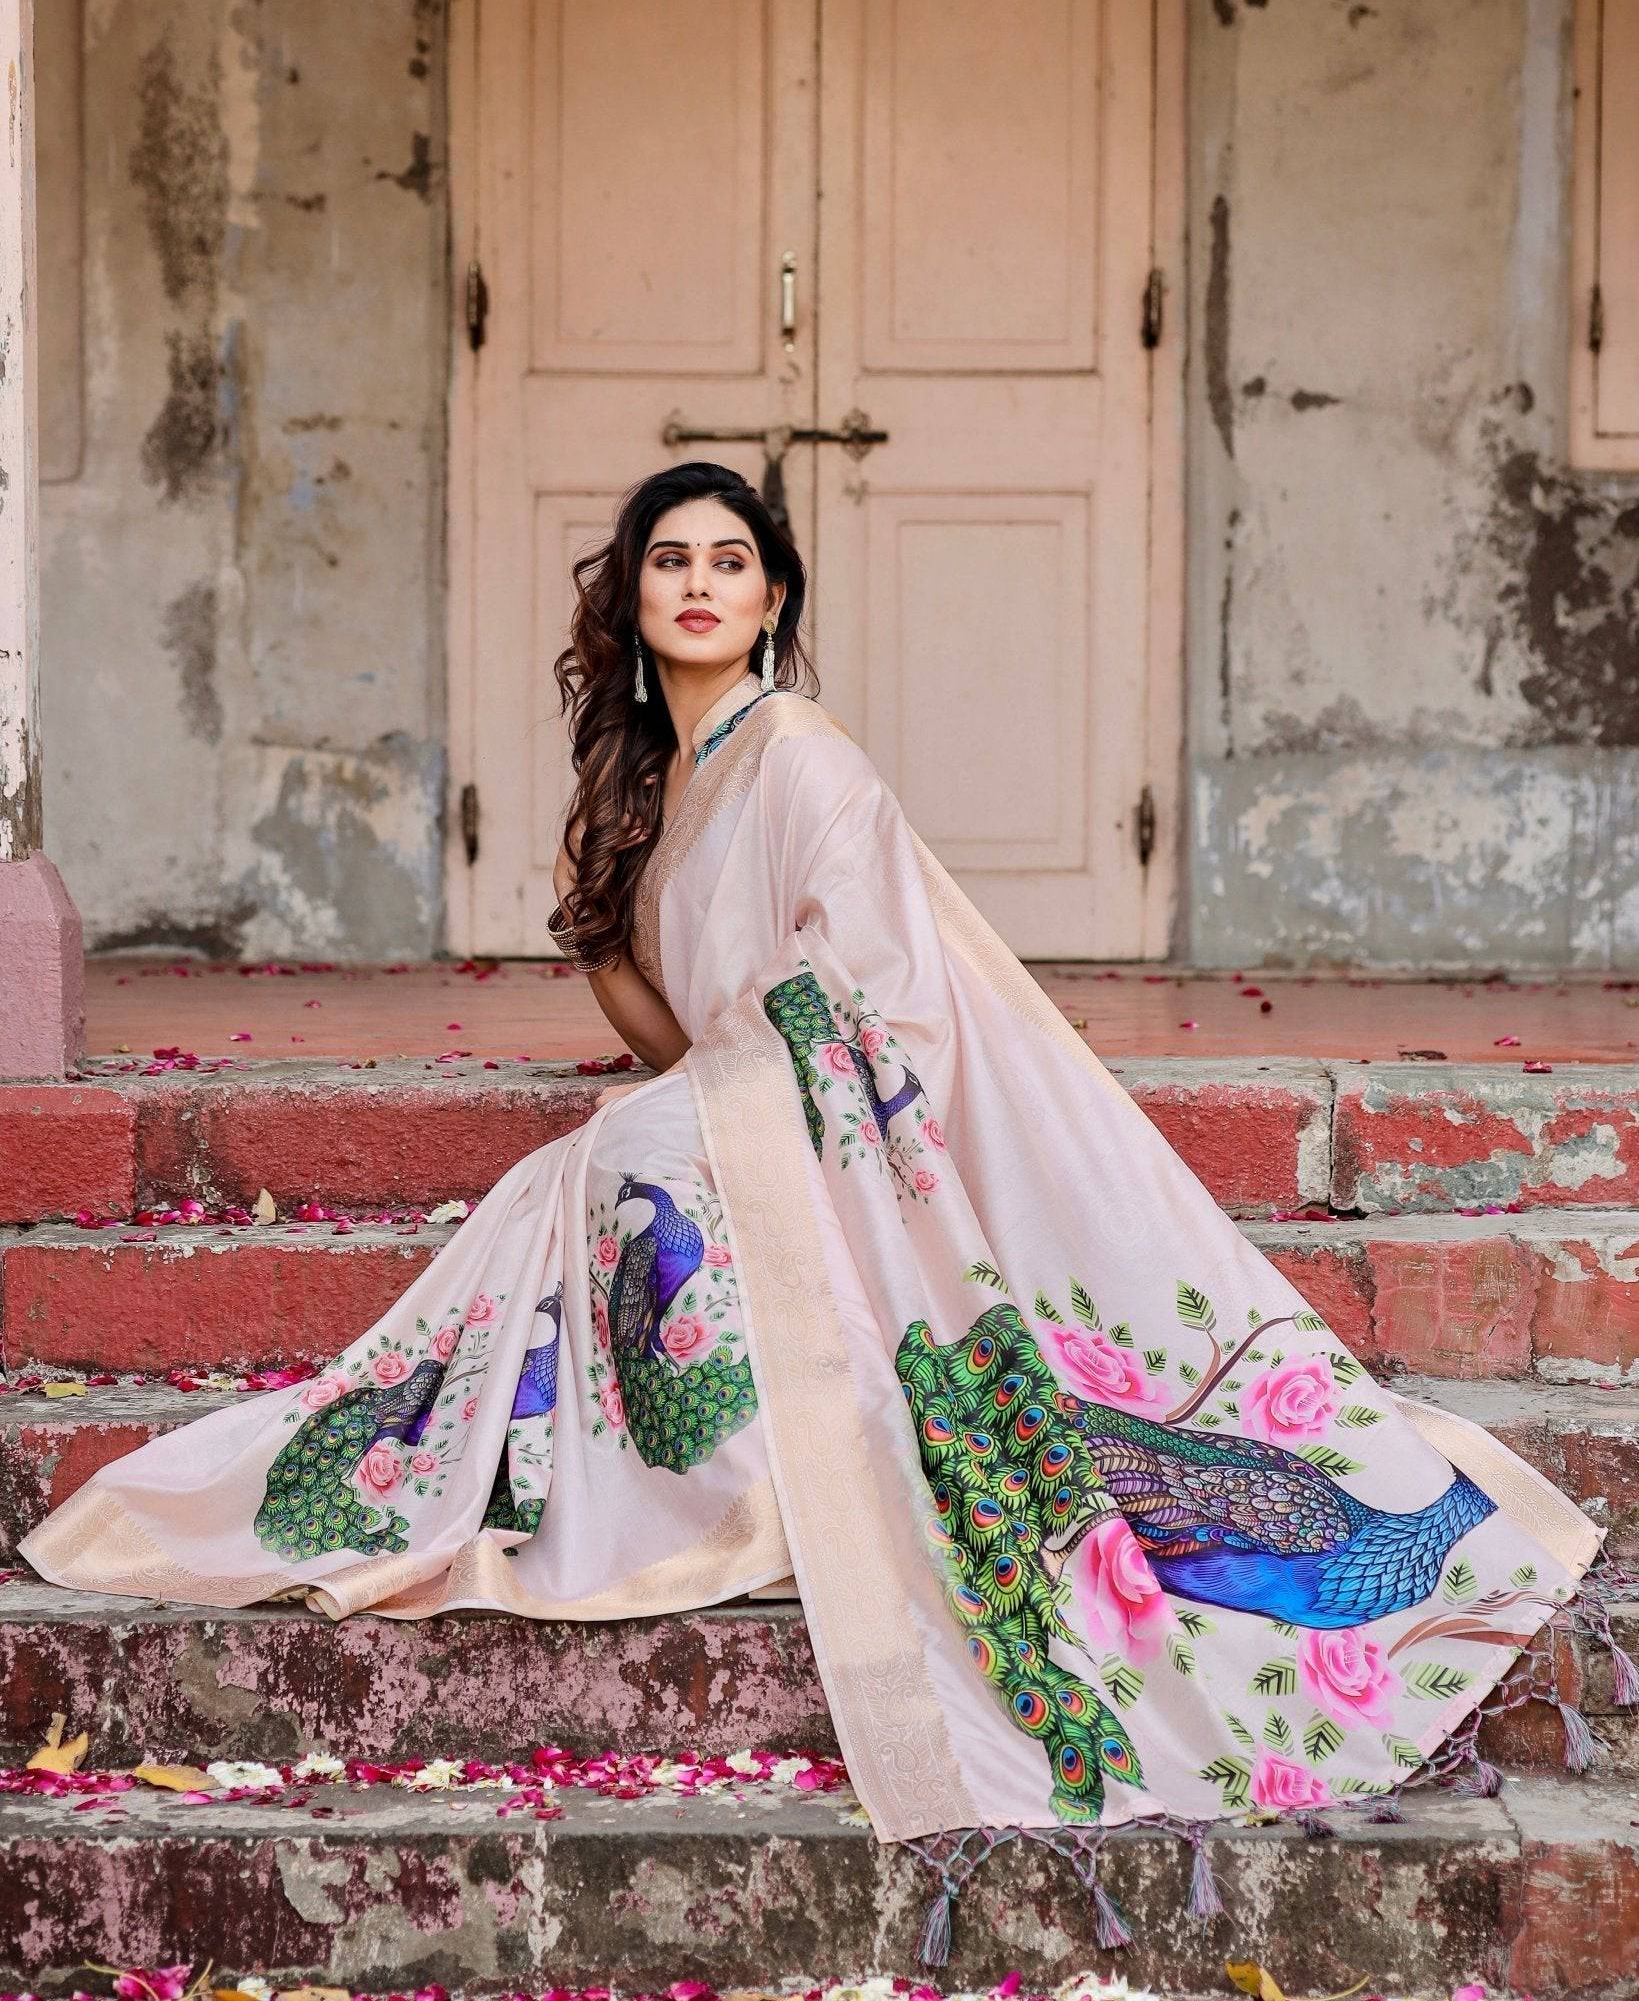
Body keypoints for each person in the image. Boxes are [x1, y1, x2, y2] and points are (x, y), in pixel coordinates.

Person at [19, 462, 1628, 1958]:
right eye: (672, 562)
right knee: (598, 1164)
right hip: (743, 1121)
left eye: (732, 562)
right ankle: (621, 1469)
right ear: (634, 601)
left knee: (617, 1166)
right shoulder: (665, 776)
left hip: (818, 1126)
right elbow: (672, 1041)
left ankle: (747, 1478)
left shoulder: (805, 756)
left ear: (775, 597)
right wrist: (604, 943)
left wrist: (702, 1089)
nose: (702, 585)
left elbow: (871, 1001)